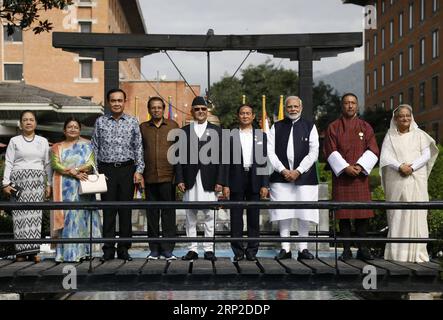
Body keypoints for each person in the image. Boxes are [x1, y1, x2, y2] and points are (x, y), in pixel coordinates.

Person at [324, 93, 379, 261]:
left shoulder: (365, 127)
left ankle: (363, 248)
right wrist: (345, 167)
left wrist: (360, 166)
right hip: (342, 177)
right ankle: (346, 250)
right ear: (342, 105)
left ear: (357, 106)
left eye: (353, 103)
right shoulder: (333, 127)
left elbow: (373, 149)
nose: (350, 106)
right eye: (347, 103)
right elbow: (330, 150)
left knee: (363, 214)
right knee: (344, 214)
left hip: (360, 176)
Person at [380, 104, 438, 263]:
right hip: (396, 180)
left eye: (407, 115)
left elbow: (426, 155)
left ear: (411, 117)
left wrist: (411, 167)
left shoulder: (420, 135)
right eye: (401, 116)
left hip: (415, 180)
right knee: (398, 214)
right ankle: (397, 253)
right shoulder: (390, 136)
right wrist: (399, 166)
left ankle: (417, 253)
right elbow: (385, 157)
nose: (405, 118)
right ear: (395, 119)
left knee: (416, 214)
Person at [91, 88, 145, 261]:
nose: (116, 103)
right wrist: (96, 171)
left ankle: (124, 248)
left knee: (125, 210)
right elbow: (94, 147)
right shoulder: (100, 122)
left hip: (127, 170)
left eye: (119, 100)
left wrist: (139, 170)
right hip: (106, 171)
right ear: (108, 102)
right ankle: (108, 249)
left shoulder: (132, 122)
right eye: (113, 100)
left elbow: (138, 147)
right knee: (108, 211)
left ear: (124, 102)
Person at [175, 96, 227, 261]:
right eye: (197, 109)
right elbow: (178, 158)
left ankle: (208, 249)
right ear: (192, 111)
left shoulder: (218, 131)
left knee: (210, 215)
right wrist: (180, 179)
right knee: (190, 216)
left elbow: (223, 158)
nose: (200, 112)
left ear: (207, 111)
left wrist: (220, 180)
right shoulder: (183, 132)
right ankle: (192, 249)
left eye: (203, 109)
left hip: (210, 178)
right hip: (190, 179)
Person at [267, 96, 319, 261]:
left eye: (296, 106)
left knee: (304, 213)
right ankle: (285, 248)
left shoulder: (310, 126)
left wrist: (298, 171)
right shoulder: (276, 126)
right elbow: (269, 152)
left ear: (301, 107)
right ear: (285, 108)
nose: (293, 109)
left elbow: (314, 152)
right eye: (289, 107)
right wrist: (283, 170)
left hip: (305, 177)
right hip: (281, 177)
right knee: (284, 212)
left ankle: (303, 249)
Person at [2, 110, 51, 263]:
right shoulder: (14, 141)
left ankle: (33, 251)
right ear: (21, 123)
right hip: (18, 182)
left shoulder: (42, 141)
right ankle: (21, 253)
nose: (28, 122)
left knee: (35, 217)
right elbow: (9, 162)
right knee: (19, 217)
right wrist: (5, 183)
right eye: (25, 120)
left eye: (31, 119)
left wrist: (48, 183)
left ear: (35, 123)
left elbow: (47, 164)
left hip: (36, 181)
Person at [50, 118, 102, 262]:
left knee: (81, 218)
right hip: (63, 187)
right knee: (66, 220)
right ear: (64, 130)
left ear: (80, 130)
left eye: (76, 127)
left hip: (82, 187)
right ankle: (66, 254)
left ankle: (83, 252)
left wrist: (76, 170)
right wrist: (72, 173)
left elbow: (90, 164)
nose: (73, 129)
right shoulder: (56, 147)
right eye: (69, 127)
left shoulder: (87, 146)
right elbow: (55, 164)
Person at [223, 104, 269, 261]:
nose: (245, 116)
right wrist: (225, 184)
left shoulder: (261, 136)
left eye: (248, 113)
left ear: (253, 116)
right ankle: (238, 252)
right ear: (238, 116)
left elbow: (264, 161)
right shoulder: (230, 135)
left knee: (253, 217)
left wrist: (264, 184)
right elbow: (225, 162)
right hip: (236, 177)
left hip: (255, 178)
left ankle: (252, 251)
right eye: (242, 113)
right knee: (236, 217)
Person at [140, 97, 179, 260]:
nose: (156, 110)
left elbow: (179, 153)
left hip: (168, 177)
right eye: (153, 108)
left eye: (159, 108)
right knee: (152, 215)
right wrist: (140, 174)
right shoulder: (142, 127)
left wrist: (177, 177)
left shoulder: (173, 126)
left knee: (168, 214)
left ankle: (168, 248)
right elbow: (139, 152)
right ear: (149, 110)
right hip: (149, 177)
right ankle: (154, 249)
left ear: (163, 109)